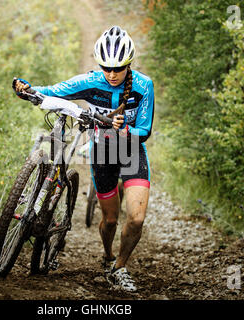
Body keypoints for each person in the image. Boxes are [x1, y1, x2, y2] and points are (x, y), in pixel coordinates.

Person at [13, 26, 154, 292]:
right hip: (102, 153)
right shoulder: (90, 81)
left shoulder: (144, 86)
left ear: (129, 64)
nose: (112, 74)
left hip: (132, 152)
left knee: (135, 219)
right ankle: (107, 255)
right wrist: (28, 89)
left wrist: (125, 130)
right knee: (110, 221)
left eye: (118, 68)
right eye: (106, 68)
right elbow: (55, 90)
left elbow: (144, 130)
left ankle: (120, 267)